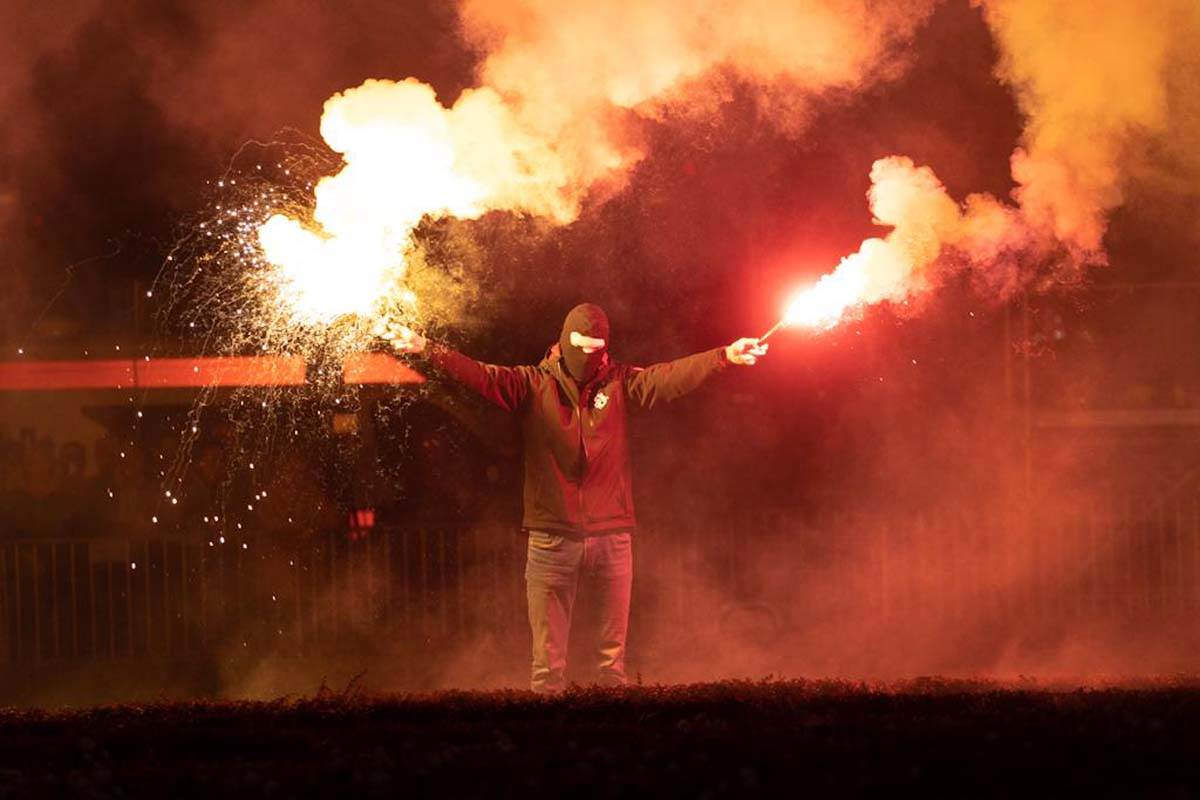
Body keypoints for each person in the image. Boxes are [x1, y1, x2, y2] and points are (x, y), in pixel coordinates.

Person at [387, 303, 767, 692]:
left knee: (612, 668)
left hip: (612, 537)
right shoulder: (533, 383)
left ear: (606, 348)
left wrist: (725, 356)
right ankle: (551, 742)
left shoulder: (619, 382)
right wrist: (427, 348)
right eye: (581, 345)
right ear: (565, 341)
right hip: (552, 538)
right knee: (547, 669)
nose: (588, 355)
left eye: (596, 348)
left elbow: (666, 378)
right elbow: (482, 376)